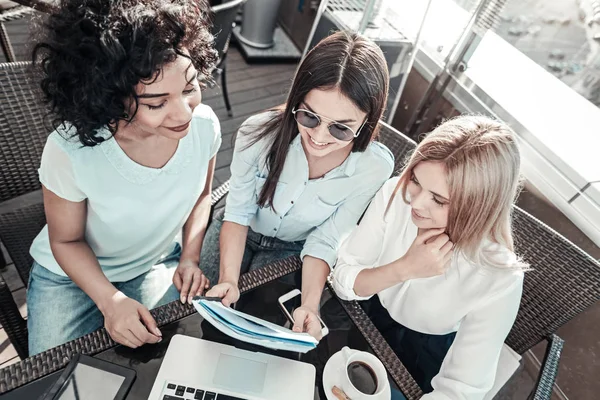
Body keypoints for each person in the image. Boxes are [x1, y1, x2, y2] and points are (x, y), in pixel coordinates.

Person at [27, 0, 220, 355]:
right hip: (67, 278)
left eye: (189, 88)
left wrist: (190, 256)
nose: (184, 113)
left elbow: (202, 197)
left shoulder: (205, 126)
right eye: (156, 103)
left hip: (151, 263)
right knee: (54, 380)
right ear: (111, 98)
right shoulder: (70, 150)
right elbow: (66, 242)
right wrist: (110, 301)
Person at [203, 31, 395, 339]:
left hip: (294, 248)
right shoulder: (256, 134)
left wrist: (310, 305)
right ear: (296, 100)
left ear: (367, 122)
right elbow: (238, 213)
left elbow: (326, 239)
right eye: (309, 116)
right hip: (238, 229)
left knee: (257, 325)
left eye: (342, 129)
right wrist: (229, 278)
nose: (319, 138)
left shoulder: (374, 168)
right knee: (209, 310)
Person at [331, 115, 528, 399]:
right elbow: (342, 277)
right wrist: (404, 268)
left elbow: (460, 390)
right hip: (368, 317)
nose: (416, 202)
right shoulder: (395, 195)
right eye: (415, 180)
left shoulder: (500, 277)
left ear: (477, 208)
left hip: (427, 354)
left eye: (439, 200)